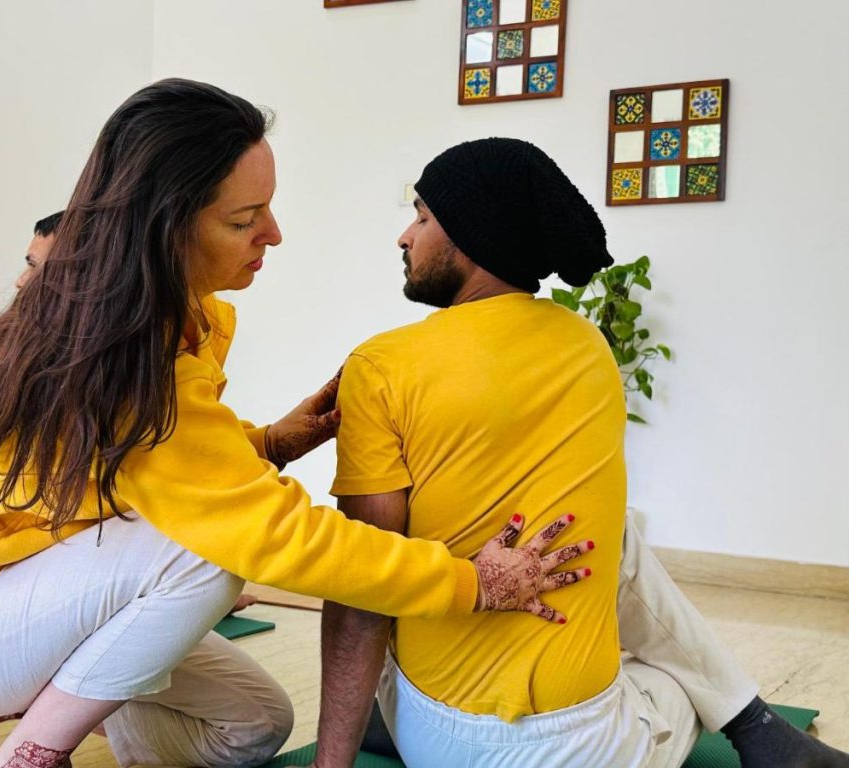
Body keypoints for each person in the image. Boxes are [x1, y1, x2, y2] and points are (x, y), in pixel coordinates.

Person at [0, 81, 592, 768]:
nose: (273, 233)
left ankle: (16, 698)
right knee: (211, 549)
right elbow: (265, 530)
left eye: (267, 210)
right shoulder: (133, 357)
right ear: (167, 229)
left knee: (253, 727)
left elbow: (155, 469)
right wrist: (471, 583)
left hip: (40, 587)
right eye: (245, 221)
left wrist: (273, 443)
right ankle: (32, 747)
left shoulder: (172, 320)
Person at [311, 139, 849, 768]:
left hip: (433, 735)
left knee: (384, 573)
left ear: (471, 234)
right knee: (668, 670)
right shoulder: (588, 346)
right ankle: (752, 722)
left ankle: (395, 722)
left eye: (423, 217)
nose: (405, 236)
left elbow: (362, 589)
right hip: (588, 749)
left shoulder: (379, 365)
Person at [0, 210, 256, 707]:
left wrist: (180, 598)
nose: (21, 281)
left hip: (9, 584)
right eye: (28, 263)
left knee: (256, 719)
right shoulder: (38, 371)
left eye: (40, 268)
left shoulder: (158, 348)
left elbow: (173, 465)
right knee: (205, 544)